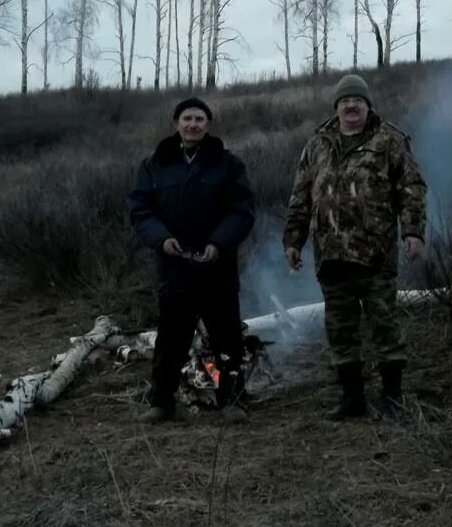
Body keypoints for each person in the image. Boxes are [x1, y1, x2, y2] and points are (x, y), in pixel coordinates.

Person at [282, 74, 428, 420]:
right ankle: (352, 399)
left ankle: (392, 398)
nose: (351, 106)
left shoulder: (389, 140)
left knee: (385, 328)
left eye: (358, 101)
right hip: (331, 255)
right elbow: (301, 196)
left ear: (368, 105)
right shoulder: (318, 144)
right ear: (336, 107)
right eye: (345, 101)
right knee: (340, 331)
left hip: (375, 254)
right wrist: (293, 240)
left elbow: (411, 187)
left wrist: (413, 231)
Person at [128, 97, 256, 424]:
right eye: (187, 118)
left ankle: (232, 401)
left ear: (208, 125)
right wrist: (162, 239)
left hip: (218, 270)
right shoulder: (155, 164)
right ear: (176, 124)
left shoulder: (228, 165)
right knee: (171, 342)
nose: (193, 124)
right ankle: (162, 403)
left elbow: (241, 211)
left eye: (200, 119)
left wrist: (219, 243)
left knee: (227, 339)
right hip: (175, 270)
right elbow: (141, 210)